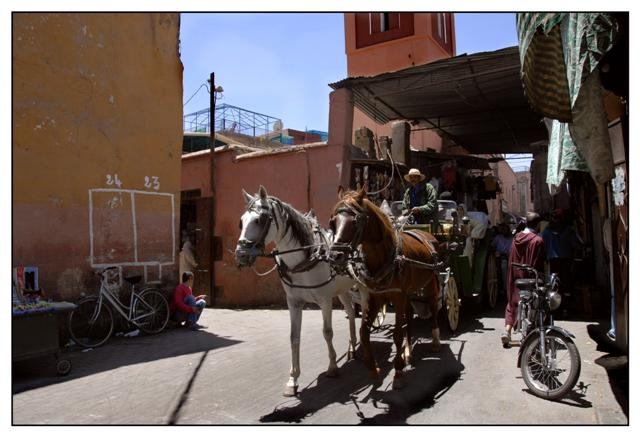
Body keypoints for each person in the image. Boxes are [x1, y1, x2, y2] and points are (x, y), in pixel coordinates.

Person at [502, 211, 546, 347]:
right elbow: (539, 262)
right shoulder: (537, 240)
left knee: (512, 302)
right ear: (538, 225)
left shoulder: (516, 238)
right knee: (538, 302)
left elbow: (512, 257)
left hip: (515, 277)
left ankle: (507, 330)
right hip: (529, 278)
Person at [541, 208, 584, 313]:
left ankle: (557, 308)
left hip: (553, 261)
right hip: (565, 260)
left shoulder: (546, 232)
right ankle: (565, 307)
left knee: (555, 284)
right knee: (566, 284)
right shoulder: (569, 230)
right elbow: (577, 245)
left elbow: (542, 246)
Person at [491, 222, 513, 294]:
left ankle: (509, 287)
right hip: (500, 257)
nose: (504, 231)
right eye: (503, 229)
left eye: (506, 229)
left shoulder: (512, 238)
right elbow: (492, 247)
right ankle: (503, 287)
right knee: (502, 267)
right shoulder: (498, 238)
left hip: (510, 257)